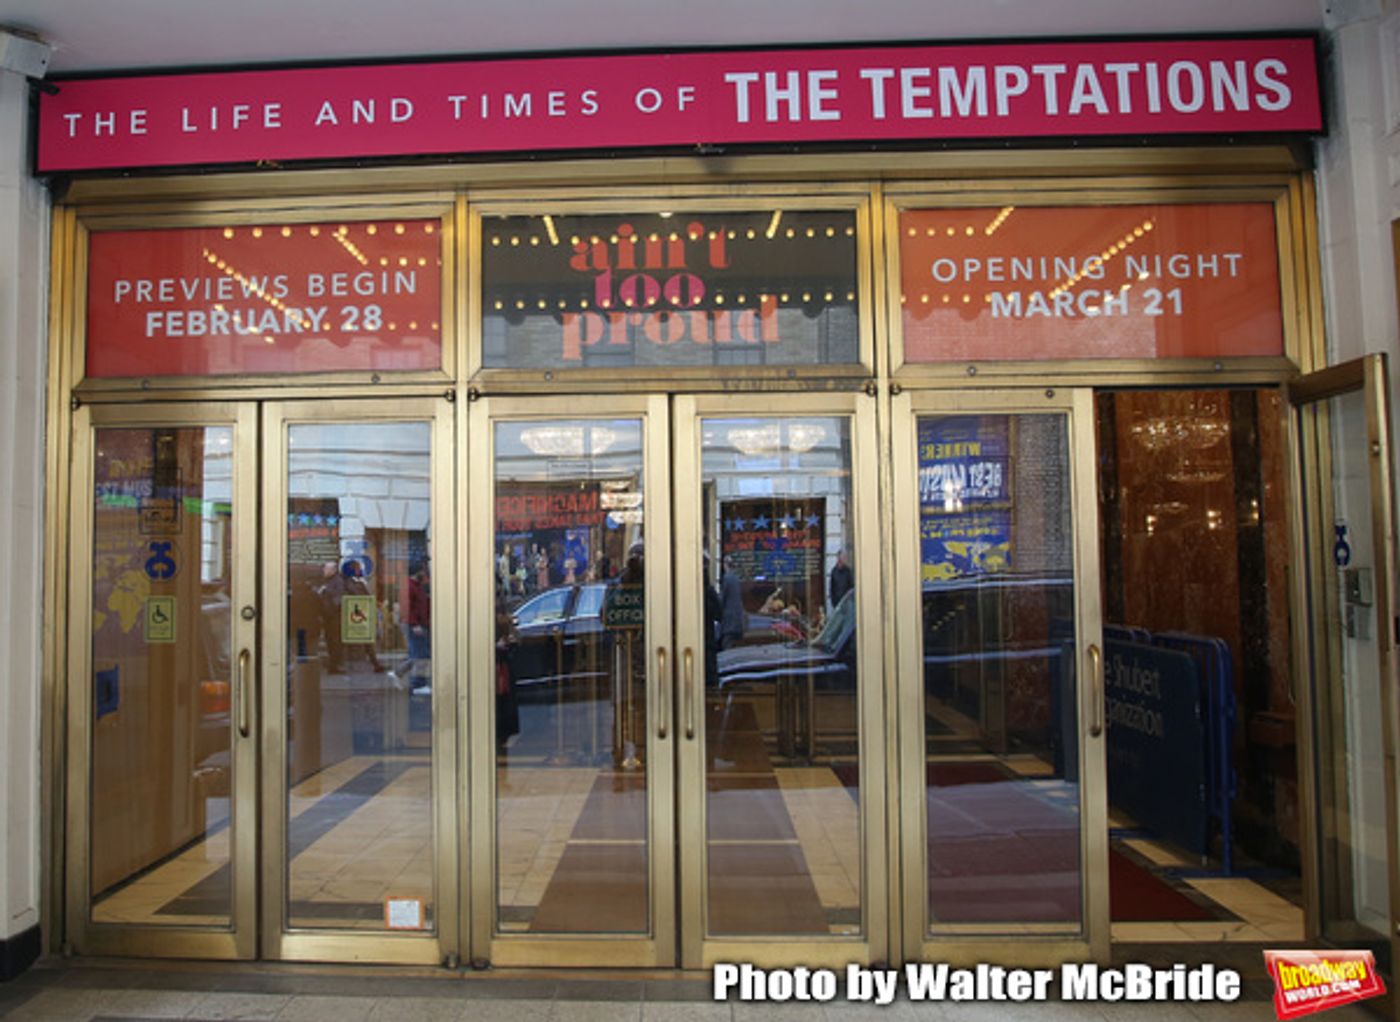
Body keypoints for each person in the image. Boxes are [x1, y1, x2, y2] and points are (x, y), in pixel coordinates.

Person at [405, 560, 430, 668]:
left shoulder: (418, 586)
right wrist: (414, 625)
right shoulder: (409, 587)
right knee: (420, 656)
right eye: (422, 571)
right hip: (416, 626)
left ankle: (398, 673)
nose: (424, 574)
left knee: (419, 655)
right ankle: (417, 683)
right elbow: (407, 608)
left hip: (422, 624)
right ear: (417, 572)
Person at [720, 554, 744, 650]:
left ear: (725, 565)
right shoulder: (736, 578)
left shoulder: (727, 578)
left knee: (726, 644)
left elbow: (722, 598)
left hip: (728, 619)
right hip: (737, 618)